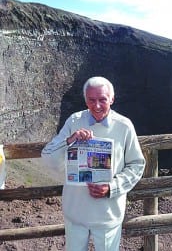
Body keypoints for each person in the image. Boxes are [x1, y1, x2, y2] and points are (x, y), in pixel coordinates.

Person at [41, 76, 145, 251]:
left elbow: (136, 165)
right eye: (91, 100)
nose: (97, 105)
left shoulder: (124, 126)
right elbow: (48, 157)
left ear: (112, 99)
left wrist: (112, 187)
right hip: (76, 213)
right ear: (85, 100)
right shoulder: (74, 121)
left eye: (102, 99)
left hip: (107, 215)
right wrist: (70, 140)